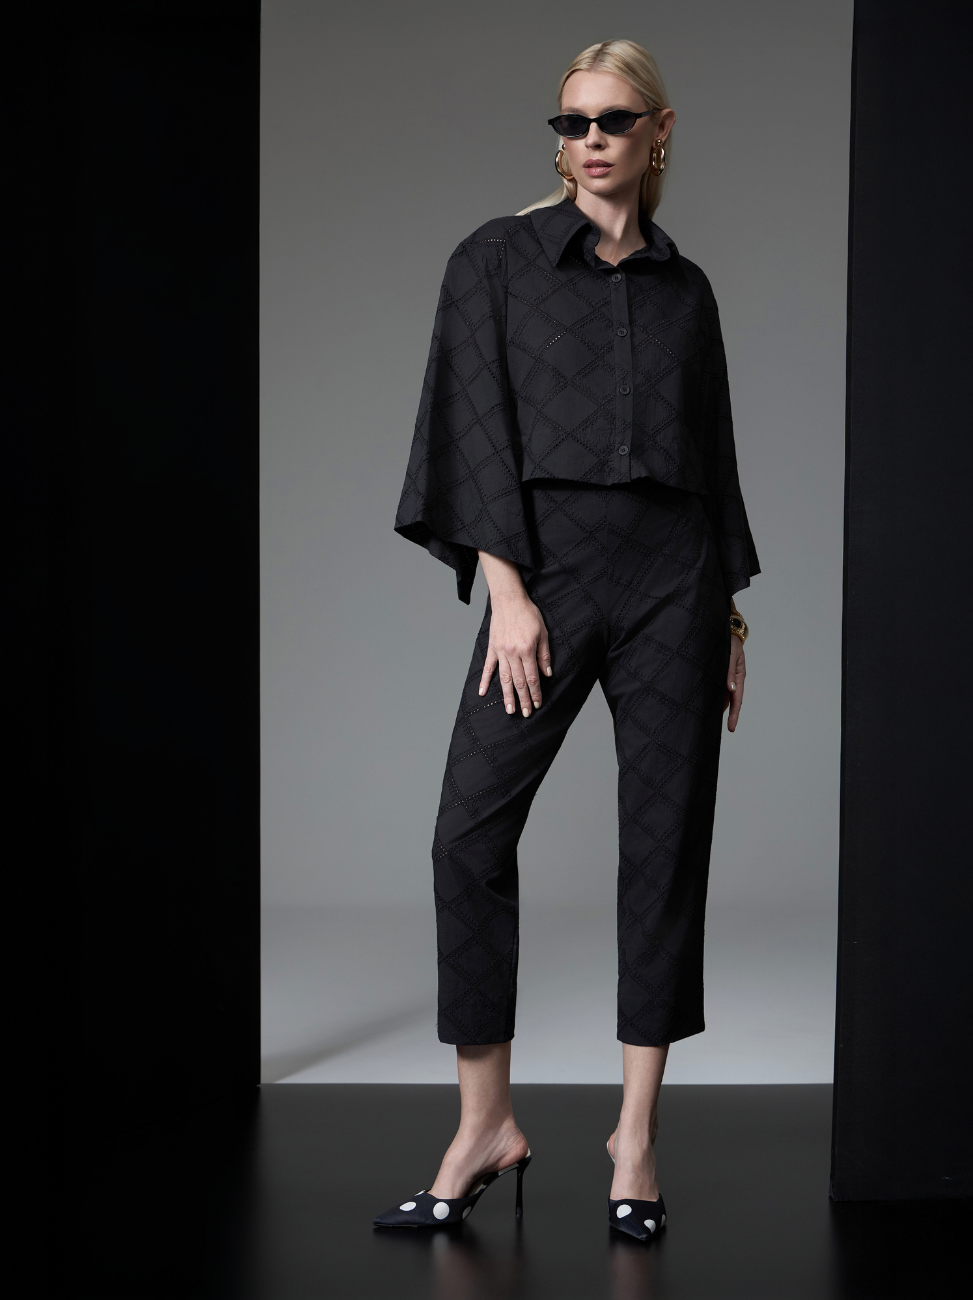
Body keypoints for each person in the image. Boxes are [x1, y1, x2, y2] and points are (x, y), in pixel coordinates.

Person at [374, 38, 758, 1240]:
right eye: (572, 120)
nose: (590, 138)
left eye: (613, 119)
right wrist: (506, 588)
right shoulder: (494, 259)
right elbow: (469, 420)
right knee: (466, 836)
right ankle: (484, 1122)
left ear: (658, 131)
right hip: (546, 577)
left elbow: (714, 463)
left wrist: (729, 611)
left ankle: (634, 1137)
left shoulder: (687, 291)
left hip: (674, 583)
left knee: (664, 847)